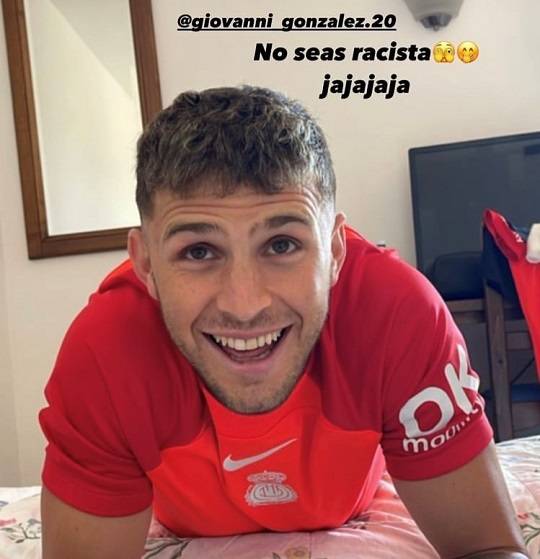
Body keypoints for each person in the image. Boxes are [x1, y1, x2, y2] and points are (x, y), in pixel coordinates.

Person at [39, 86, 529, 559]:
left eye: (282, 245)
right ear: (146, 265)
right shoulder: (104, 353)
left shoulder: (397, 315)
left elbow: (490, 549)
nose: (245, 304)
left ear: (335, 251)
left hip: (355, 501)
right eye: (199, 251)